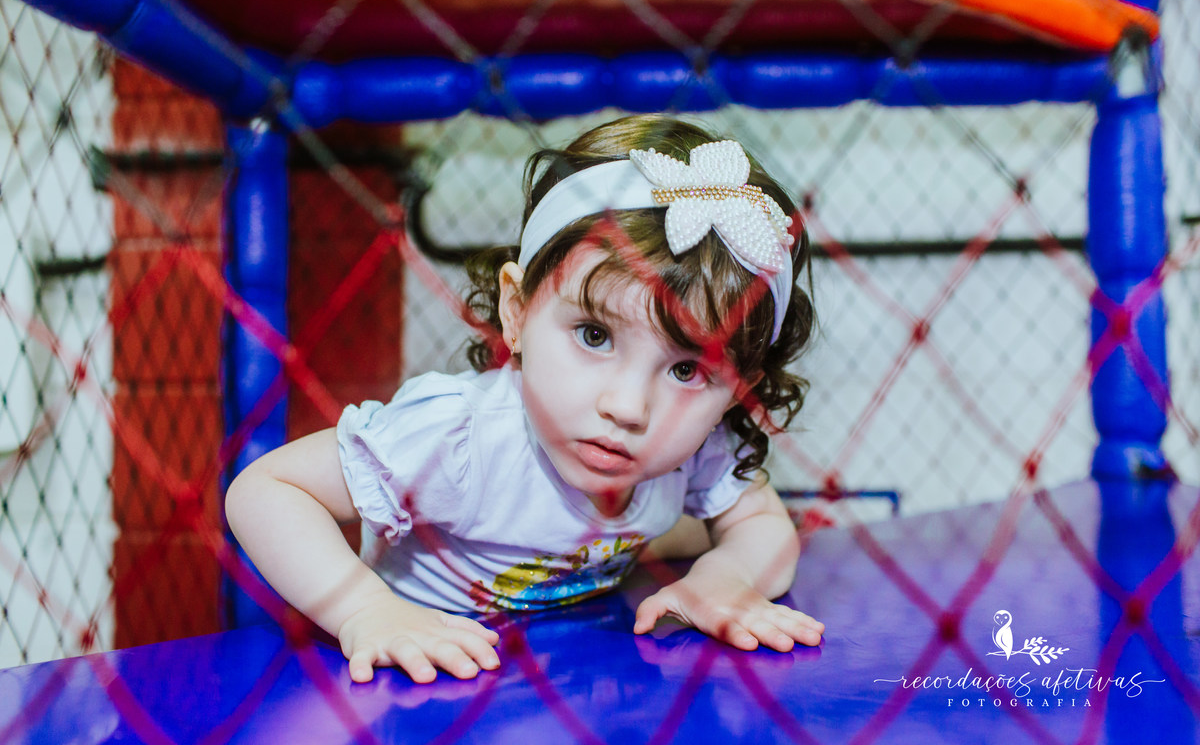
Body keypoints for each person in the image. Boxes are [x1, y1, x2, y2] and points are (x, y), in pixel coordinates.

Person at [226, 114, 824, 684]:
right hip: (425, 690)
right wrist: (364, 611)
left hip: (571, 675)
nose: (628, 407)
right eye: (595, 335)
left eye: (688, 369)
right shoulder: (462, 437)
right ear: (517, 312)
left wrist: (725, 578)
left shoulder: (696, 444)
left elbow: (762, 522)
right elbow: (266, 491)